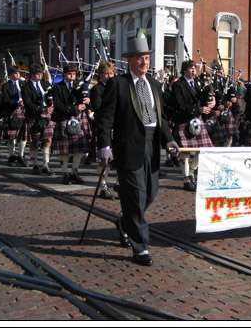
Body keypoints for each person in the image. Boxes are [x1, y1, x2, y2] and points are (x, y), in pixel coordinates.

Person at [96, 28, 178, 266]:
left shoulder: (154, 84)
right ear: (130, 60)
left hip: (151, 146)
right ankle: (140, 246)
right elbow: (105, 118)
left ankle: (125, 222)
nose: (144, 62)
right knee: (135, 195)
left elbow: (160, 118)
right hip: (128, 147)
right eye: (140, 58)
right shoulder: (118, 84)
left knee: (150, 193)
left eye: (147, 57)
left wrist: (169, 139)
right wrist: (104, 145)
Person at [170, 60, 215, 191]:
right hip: (183, 121)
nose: (194, 70)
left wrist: (211, 100)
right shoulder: (178, 85)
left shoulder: (198, 83)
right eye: (191, 68)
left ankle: (191, 172)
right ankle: (186, 180)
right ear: (184, 70)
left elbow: (203, 99)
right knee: (185, 153)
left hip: (196, 121)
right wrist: (198, 110)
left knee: (203, 150)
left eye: (194, 68)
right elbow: (180, 104)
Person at [51, 64, 91, 184]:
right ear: (64, 74)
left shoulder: (79, 86)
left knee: (79, 148)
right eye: (69, 74)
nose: (72, 76)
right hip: (64, 118)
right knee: (65, 150)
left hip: (78, 118)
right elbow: (58, 105)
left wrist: (87, 101)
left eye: (74, 74)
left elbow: (85, 99)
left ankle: (75, 171)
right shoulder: (57, 87)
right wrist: (74, 109)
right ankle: (65, 173)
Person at [89, 61, 117, 199]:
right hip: (103, 127)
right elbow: (98, 107)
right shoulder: (97, 89)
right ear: (100, 75)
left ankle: (118, 184)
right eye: (106, 73)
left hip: (117, 127)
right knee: (104, 159)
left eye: (111, 73)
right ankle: (103, 186)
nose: (109, 76)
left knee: (118, 158)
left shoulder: (117, 88)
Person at [22, 64, 55, 175]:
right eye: (37, 74)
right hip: (34, 116)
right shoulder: (26, 87)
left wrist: (51, 105)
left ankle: (45, 165)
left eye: (41, 74)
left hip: (47, 116)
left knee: (48, 139)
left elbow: (51, 96)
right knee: (35, 140)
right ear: (32, 75)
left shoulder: (46, 84)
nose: (40, 76)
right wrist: (41, 109)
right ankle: (35, 164)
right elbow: (28, 103)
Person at [0, 66, 29, 166]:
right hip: (12, 112)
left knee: (23, 136)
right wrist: (16, 102)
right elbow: (5, 100)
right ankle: (11, 156)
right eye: (16, 73)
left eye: (19, 73)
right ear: (10, 75)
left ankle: (21, 155)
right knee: (12, 137)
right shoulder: (6, 86)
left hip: (24, 112)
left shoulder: (23, 84)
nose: (18, 74)